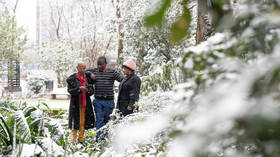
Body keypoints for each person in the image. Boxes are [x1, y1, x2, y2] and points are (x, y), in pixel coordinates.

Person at [87, 56, 123, 140]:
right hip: (98, 101)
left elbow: (122, 79)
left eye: (101, 65)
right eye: (98, 64)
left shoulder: (112, 72)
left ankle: (105, 138)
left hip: (109, 101)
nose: (99, 66)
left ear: (106, 64)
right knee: (99, 120)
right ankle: (99, 139)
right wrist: (90, 74)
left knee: (107, 121)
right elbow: (85, 71)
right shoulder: (94, 71)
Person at [66, 63, 95, 144]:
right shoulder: (72, 78)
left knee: (83, 122)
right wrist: (79, 89)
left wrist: (88, 91)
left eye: (84, 68)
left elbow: (92, 91)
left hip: (85, 104)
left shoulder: (88, 78)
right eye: (81, 68)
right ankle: (73, 140)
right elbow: (70, 91)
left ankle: (80, 140)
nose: (82, 70)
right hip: (76, 104)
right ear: (77, 68)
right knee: (75, 122)